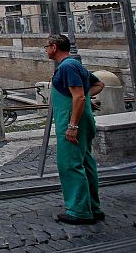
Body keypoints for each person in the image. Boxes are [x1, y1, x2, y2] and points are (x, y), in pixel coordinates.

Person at [44, 34, 105, 225]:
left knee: (70, 164)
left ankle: (78, 211)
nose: (45, 50)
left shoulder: (67, 67)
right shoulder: (75, 64)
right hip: (83, 120)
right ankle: (93, 208)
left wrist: (72, 125)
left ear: (54, 47)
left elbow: (78, 96)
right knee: (86, 163)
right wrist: (85, 102)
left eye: (47, 46)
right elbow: (97, 85)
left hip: (72, 121)